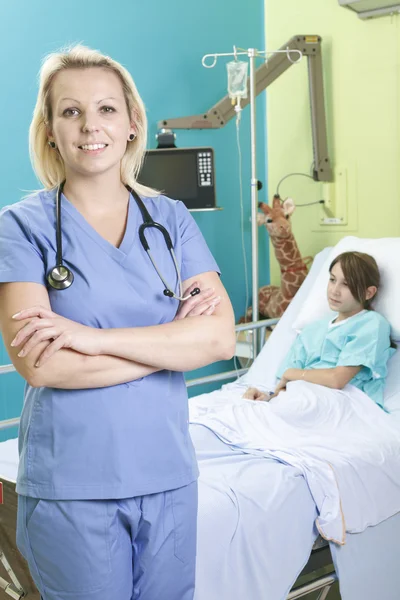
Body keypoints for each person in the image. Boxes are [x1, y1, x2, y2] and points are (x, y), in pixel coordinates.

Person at [0, 45, 235, 600]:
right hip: (74, 484)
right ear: (50, 129)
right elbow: (42, 363)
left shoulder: (171, 220)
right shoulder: (20, 227)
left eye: (106, 109)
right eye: (71, 111)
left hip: (170, 477)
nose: (90, 127)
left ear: (132, 123)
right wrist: (172, 342)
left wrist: (87, 337)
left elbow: (220, 337)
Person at [244, 251, 395, 407]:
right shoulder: (312, 330)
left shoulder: (372, 324)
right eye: (332, 280)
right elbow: (285, 382)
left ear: (368, 292)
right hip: (302, 398)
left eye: (346, 284)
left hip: (345, 403)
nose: (334, 290)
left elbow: (336, 379)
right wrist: (268, 397)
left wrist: (294, 374)